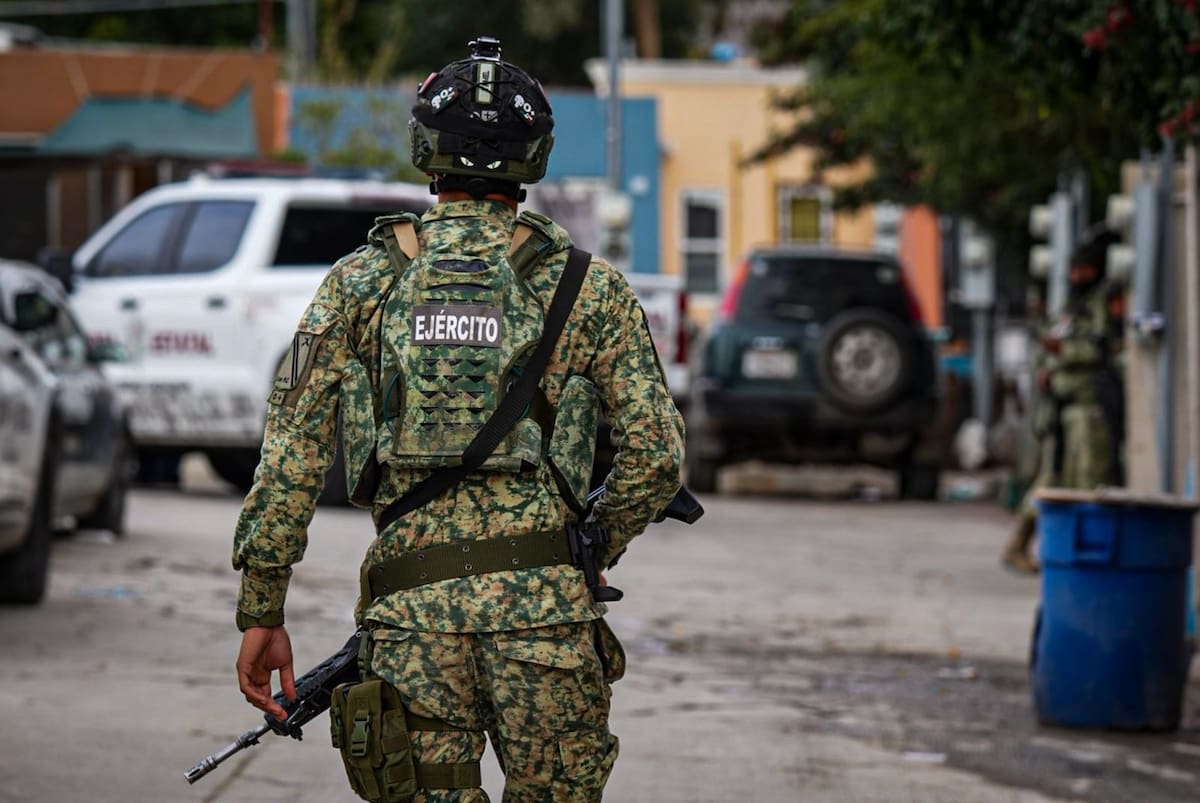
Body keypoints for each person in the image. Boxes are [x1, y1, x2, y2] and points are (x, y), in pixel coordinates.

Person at [230, 37, 684, 802]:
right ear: (534, 156)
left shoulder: (362, 282)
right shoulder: (591, 291)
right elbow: (657, 457)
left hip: (410, 626)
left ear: (423, 149)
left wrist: (262, 605)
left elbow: (291, 455)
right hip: (547, 624)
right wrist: (590, 542)